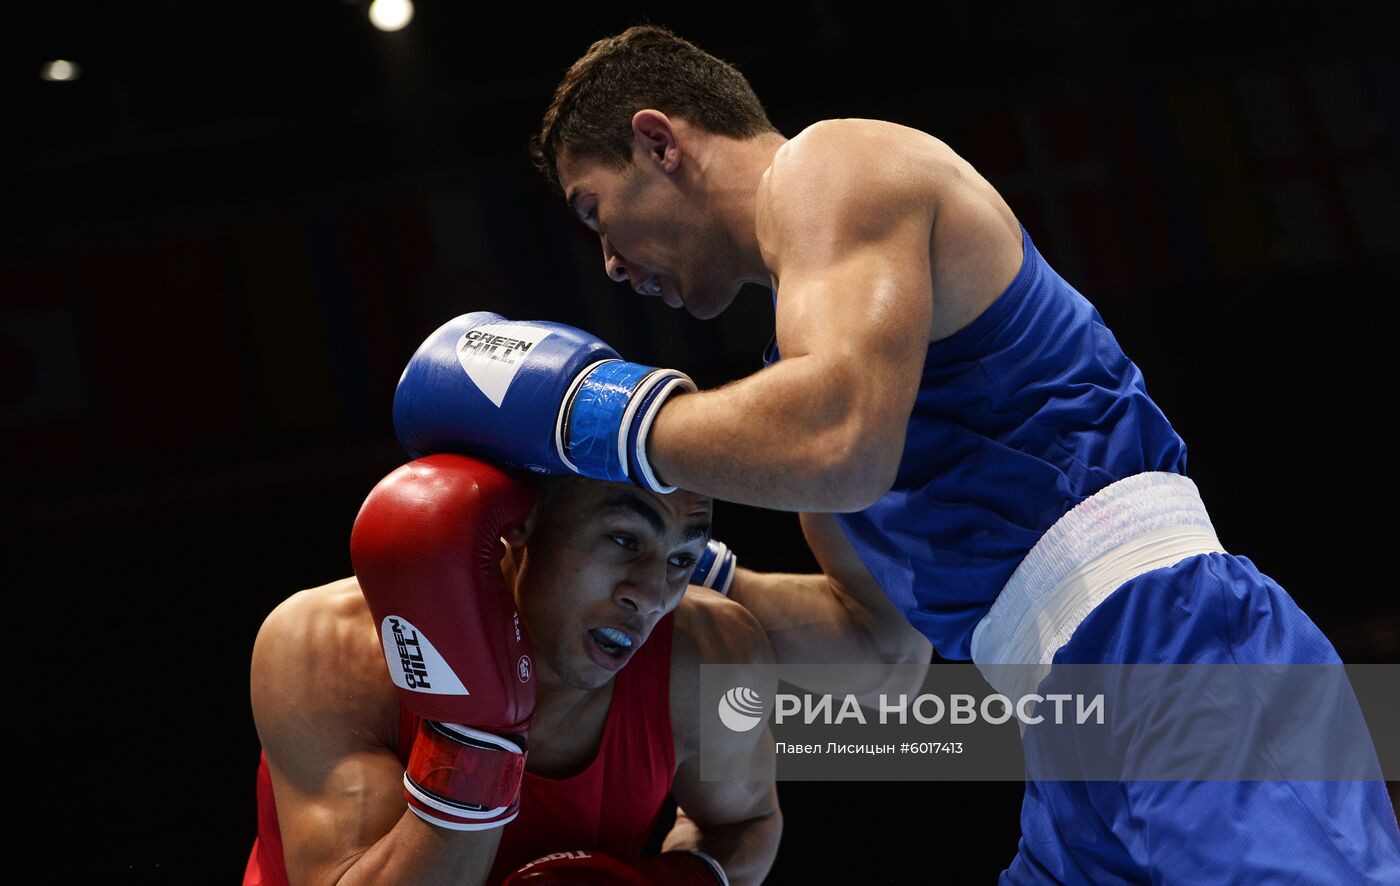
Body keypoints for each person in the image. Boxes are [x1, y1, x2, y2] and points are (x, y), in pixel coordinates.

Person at [389, 24, 1400, 883]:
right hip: (1069, 733)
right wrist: (665, 562)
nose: (607, 261)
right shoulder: (813, 369)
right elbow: (880, 652)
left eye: (592, 210)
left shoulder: (835, 168)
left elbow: (838, 441)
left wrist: (589, 416)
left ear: (658, 142)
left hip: (1178, 651)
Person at [244, 453, 928, 885]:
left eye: (680, 559)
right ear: (519, 531)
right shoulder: (332, 647)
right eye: (623, 539)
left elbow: (745, 827)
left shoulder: (707, 652)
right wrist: (478, 737)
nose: (650, 593)